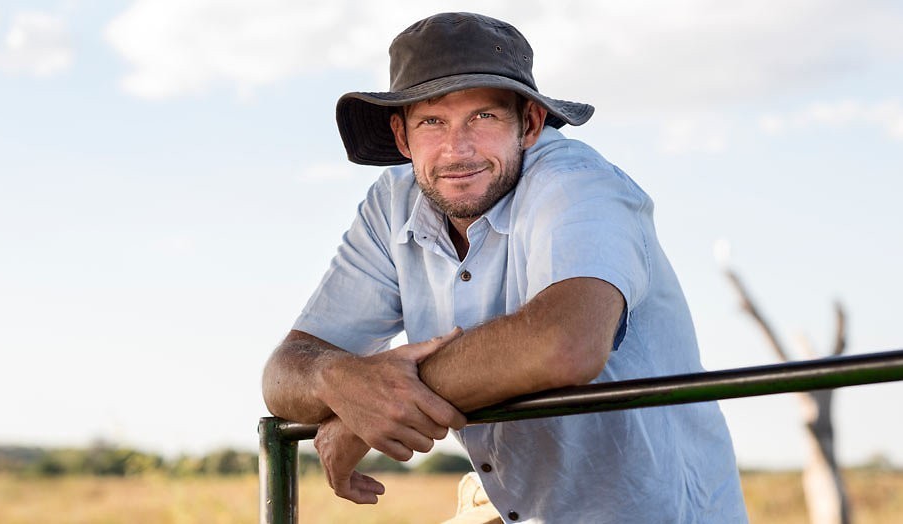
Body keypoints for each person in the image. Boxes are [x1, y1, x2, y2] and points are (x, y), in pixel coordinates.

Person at [262, 12, 748, 523]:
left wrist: (374, 408)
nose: (458, 148)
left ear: (531, 124)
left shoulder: (579, 185)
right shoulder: (392, 204)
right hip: (519, 509)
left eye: (484, 117)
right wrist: (338, 379)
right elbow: (283, 372)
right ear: (402, 139)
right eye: (432, 122)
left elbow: (566, 344)